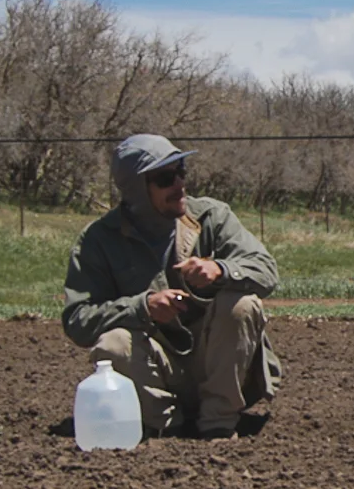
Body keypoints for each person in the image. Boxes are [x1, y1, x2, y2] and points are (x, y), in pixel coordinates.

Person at [62, 134, 282, 439]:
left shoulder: (211, 217)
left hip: (216, 364)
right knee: (113, 344)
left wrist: (219, 270)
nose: (179, 184)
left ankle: (217, 423)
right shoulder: (99, 240)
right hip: (156, 370)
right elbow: (77, 320)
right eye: (165, 178)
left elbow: (267, 271)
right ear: (137, 190)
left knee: (242, 304)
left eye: (181, 171)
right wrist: (143, 308)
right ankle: (169, 425)